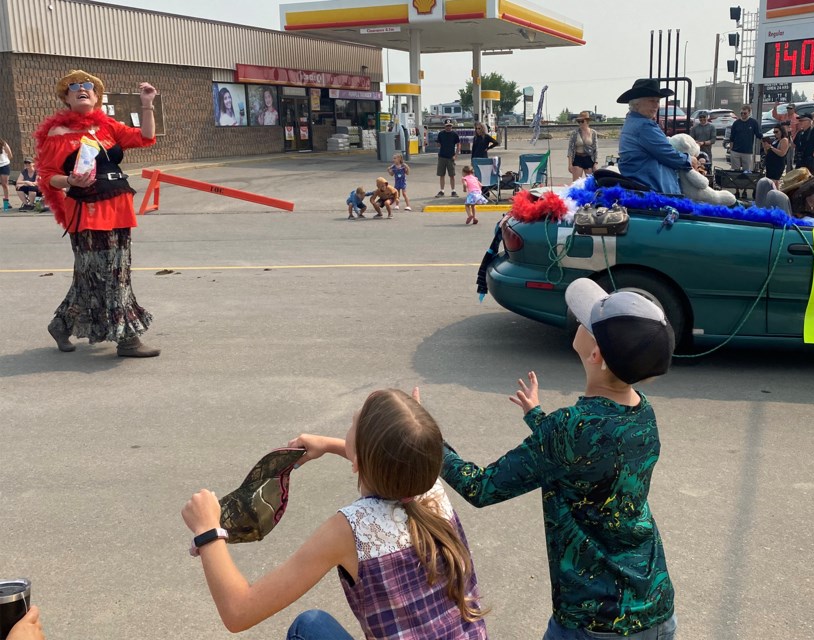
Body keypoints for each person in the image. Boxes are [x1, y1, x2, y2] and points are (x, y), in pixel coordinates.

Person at [441, 277, 678, 639]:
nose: (579, 321)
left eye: (587, 321)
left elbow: (481, 487)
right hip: (655, 608)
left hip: (594, 621)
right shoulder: (642, 413)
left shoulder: (568, 429)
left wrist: (426, 440)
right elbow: (589, 456)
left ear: (596, 354)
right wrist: (539, 418)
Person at [181, 388, 488, 640]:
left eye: (354, 422)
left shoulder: (350, 530)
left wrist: (208, 531)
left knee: (309, 626)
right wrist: (329, 445)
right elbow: (395, 462)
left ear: (359, 461)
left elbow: (239, 612)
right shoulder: (428, 485)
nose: (350, 423)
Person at [35, 69, 160, 357]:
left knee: (107, 274)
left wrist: (146, 104)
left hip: (118, 206)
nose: (82, 89)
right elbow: (47, 175)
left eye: (88, 86)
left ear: (96, 96)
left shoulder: (107, 127)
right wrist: (69, 181)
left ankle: (61, 324)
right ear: (66, 97)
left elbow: (145, 136)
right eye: (74, 86)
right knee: (105, 276)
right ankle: (128, 339)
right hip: (87, 211)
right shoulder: (58, 134)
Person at [616, 78, 698, 194]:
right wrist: (689, 160)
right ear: (636, 102)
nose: (656, 105)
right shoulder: (644, 125)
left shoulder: (632, 121)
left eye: (657, 101)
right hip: (653, 190)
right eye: (651, 101)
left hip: (643, 187)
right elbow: (667, 153)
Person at [727, 104, 762, 171]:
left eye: (745, 113)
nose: (743, 115)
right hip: (736, 151)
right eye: (741, 113)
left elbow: (758, 135)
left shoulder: (753, 123)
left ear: (749, 113)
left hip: (747, 152)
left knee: (747, 172)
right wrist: (731, 150)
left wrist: (764, 140)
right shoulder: (736, 123)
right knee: (735, 171)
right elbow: (732, 137)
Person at [566, 110, 598, 180]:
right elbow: (570, 149)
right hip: (578, 158)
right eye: (579, 121)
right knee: (576, 183)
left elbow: (595, 149)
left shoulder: (593, 133)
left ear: (587, 121)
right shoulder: (574, 133)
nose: (580, 123)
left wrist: (595, 163)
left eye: (582, 121)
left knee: (590, 182)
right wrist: (570, 164)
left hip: (589, 158)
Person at [436, 119, 461, 198]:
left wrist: (456, 155)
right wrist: (438, 144)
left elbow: (458, 144)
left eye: (450, 126)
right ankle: (442, 190)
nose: (448, 127)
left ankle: (453, 190)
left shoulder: (454, 134)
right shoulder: (441, 134)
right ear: (444, 126)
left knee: (452, 175)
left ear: (452, 126)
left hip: (451, 157)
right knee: (441, 174)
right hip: (442, 156)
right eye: (447, 126)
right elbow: (438, 143)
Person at [772, 102, 800, 170]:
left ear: (794, 109)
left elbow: (798, 130)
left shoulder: (797, 117)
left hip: (791, 140)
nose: (788, 110)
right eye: (787, 108)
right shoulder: (783, 116)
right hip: (782, 139)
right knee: (780, 155)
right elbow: (775, 115)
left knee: (789, 158)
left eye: (790, 108)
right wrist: (775, 107)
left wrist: (794, 140)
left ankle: (789, 172)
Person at [0, 136, 11, 210]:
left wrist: (6, 161)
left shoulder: (3, 143)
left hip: (4, 165)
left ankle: (7, 202)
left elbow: (10, 154)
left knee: (4, 184)